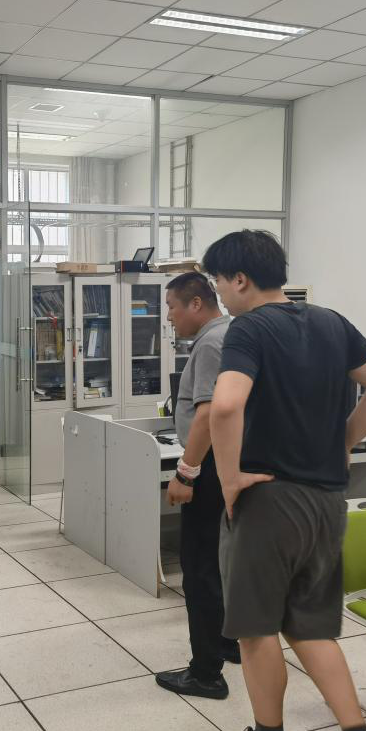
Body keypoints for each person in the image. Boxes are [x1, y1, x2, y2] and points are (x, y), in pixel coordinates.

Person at [203, 230, 366, 731]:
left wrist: (229, 478)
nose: (219, 293)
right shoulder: (331, 321)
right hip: (326, 501)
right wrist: (344, 440)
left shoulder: (248, 329)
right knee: (311, 628)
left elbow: (226, 405)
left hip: (269, 500)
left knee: (256, 630)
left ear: (240, 279)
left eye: (218, 282)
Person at [155, 272, 241, 701]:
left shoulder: (210, 343)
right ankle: (227, 642)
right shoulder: (231, 334)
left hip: (207, 471)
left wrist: (186, 472)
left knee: (201, 569)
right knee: (222, 564)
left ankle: (206, 673)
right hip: (228, 465)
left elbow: (207, 414)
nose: (169, 317)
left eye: (172, 306)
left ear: (195, 303)